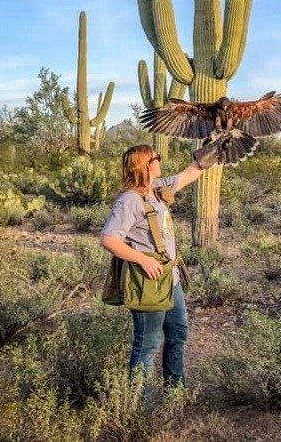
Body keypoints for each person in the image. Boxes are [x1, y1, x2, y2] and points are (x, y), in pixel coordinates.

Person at [100, 142, 220, 388]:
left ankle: (174, 391)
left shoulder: (155, 188)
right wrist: (143, 259)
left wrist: (216, 146)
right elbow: (109, 239)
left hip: (170, 278)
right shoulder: (129, 200)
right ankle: (140, 406)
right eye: (158, 157)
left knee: (178, 333)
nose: (161, 161)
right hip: (149, 282)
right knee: (147, 344)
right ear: (146, 165)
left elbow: (190, 173)